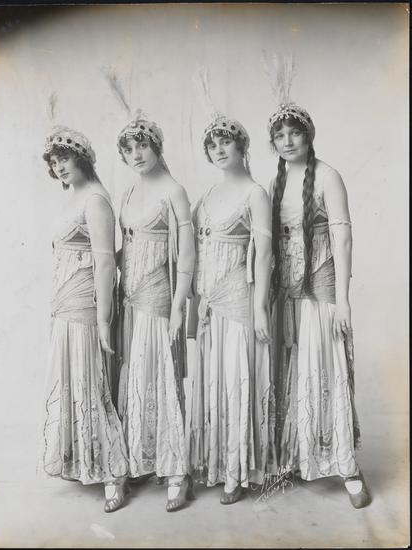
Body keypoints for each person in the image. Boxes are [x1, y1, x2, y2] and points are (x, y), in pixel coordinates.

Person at [267, 100, 371, 508]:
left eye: (294, 133)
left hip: (321, 281)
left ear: (309, 135)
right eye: (279, 135)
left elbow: (343, 239)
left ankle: (345, 465)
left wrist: (342, 301)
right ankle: (297, 455)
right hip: (286, 290)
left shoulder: (328, 176)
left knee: (326, 363)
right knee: (293, 366)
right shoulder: (275, 182)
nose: (288, 141)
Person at [39, 125, 129, 513]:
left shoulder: (95, 199)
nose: (59, 167)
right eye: (54, 162)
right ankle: (83, 459)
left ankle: (114, 473)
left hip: (86, 305)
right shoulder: (73, 197)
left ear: (82, 158)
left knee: (91, 382)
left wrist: (105, 320)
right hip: (64, 301)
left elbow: (106, 262)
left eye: (65, 158)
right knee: (71, 379)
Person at [189, 113, 277, 504]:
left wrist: (259, 309)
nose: (219, 149)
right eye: (212, 144)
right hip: (210, 303)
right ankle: (215, 463)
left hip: (239, 299)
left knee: (236, 378)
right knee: (213, 379)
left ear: (241, 145)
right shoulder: (207, 195)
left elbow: (264, 255)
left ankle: (237, 471)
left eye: (225, 141)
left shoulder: (255, 194)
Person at [115, 113, 195, 512]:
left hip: (159, 298)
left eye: (142, 146)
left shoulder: (174, 190)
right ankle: (138, 458)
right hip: (130, 298)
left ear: (157, 147)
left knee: (162, 374)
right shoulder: (129, 192)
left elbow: (187, 256)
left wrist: (179, 305)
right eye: (129, 149)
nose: (136, 154)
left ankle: (175, 468)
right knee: (135, 377)